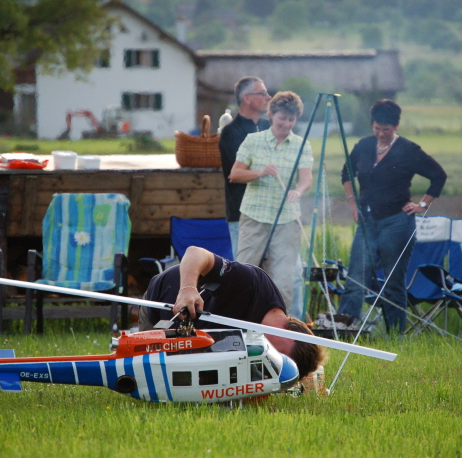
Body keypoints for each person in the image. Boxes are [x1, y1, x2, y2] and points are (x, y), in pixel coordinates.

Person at [338, 100, 447, 334]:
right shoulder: (364, 146)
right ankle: (344, 331)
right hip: (367, 222)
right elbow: (346, 171)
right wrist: (352, 202)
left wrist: (422, 205)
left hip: (397, 223)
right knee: (356, 277)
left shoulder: (409, 150)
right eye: (377, 128)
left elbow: (439, 175)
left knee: (393, 281)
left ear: (396, 126)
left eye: (386, 129)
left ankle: (395, 336)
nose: (381, 133)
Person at [138, 246, 324, 379]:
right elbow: (195, 252)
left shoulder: (257, 345)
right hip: (159, 307)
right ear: (290, 335)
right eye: (278, 354)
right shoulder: (251, 284)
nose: (270, 358)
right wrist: (187, 289)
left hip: (191, 346)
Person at [229, 91, 313, 309]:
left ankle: (279, 334)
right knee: (244, 277)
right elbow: (235, 174)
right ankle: (242, 328)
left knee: (283, 283)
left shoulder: (301, 145)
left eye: (291, 119)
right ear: (271, 114)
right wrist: (261, 172)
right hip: (255, 216)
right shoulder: (253, 141)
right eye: (282, 118)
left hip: (287, 220)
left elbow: (306, 179)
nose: (286, 123)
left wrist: (298, 192)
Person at [219, 76, 272, 259]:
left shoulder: (270, 127)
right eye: (263, 93)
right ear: (247, 98)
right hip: (242, 215)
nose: (269, 98)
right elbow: (238, 172)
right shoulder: (230, 132)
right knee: (245, 273)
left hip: (272, 213)